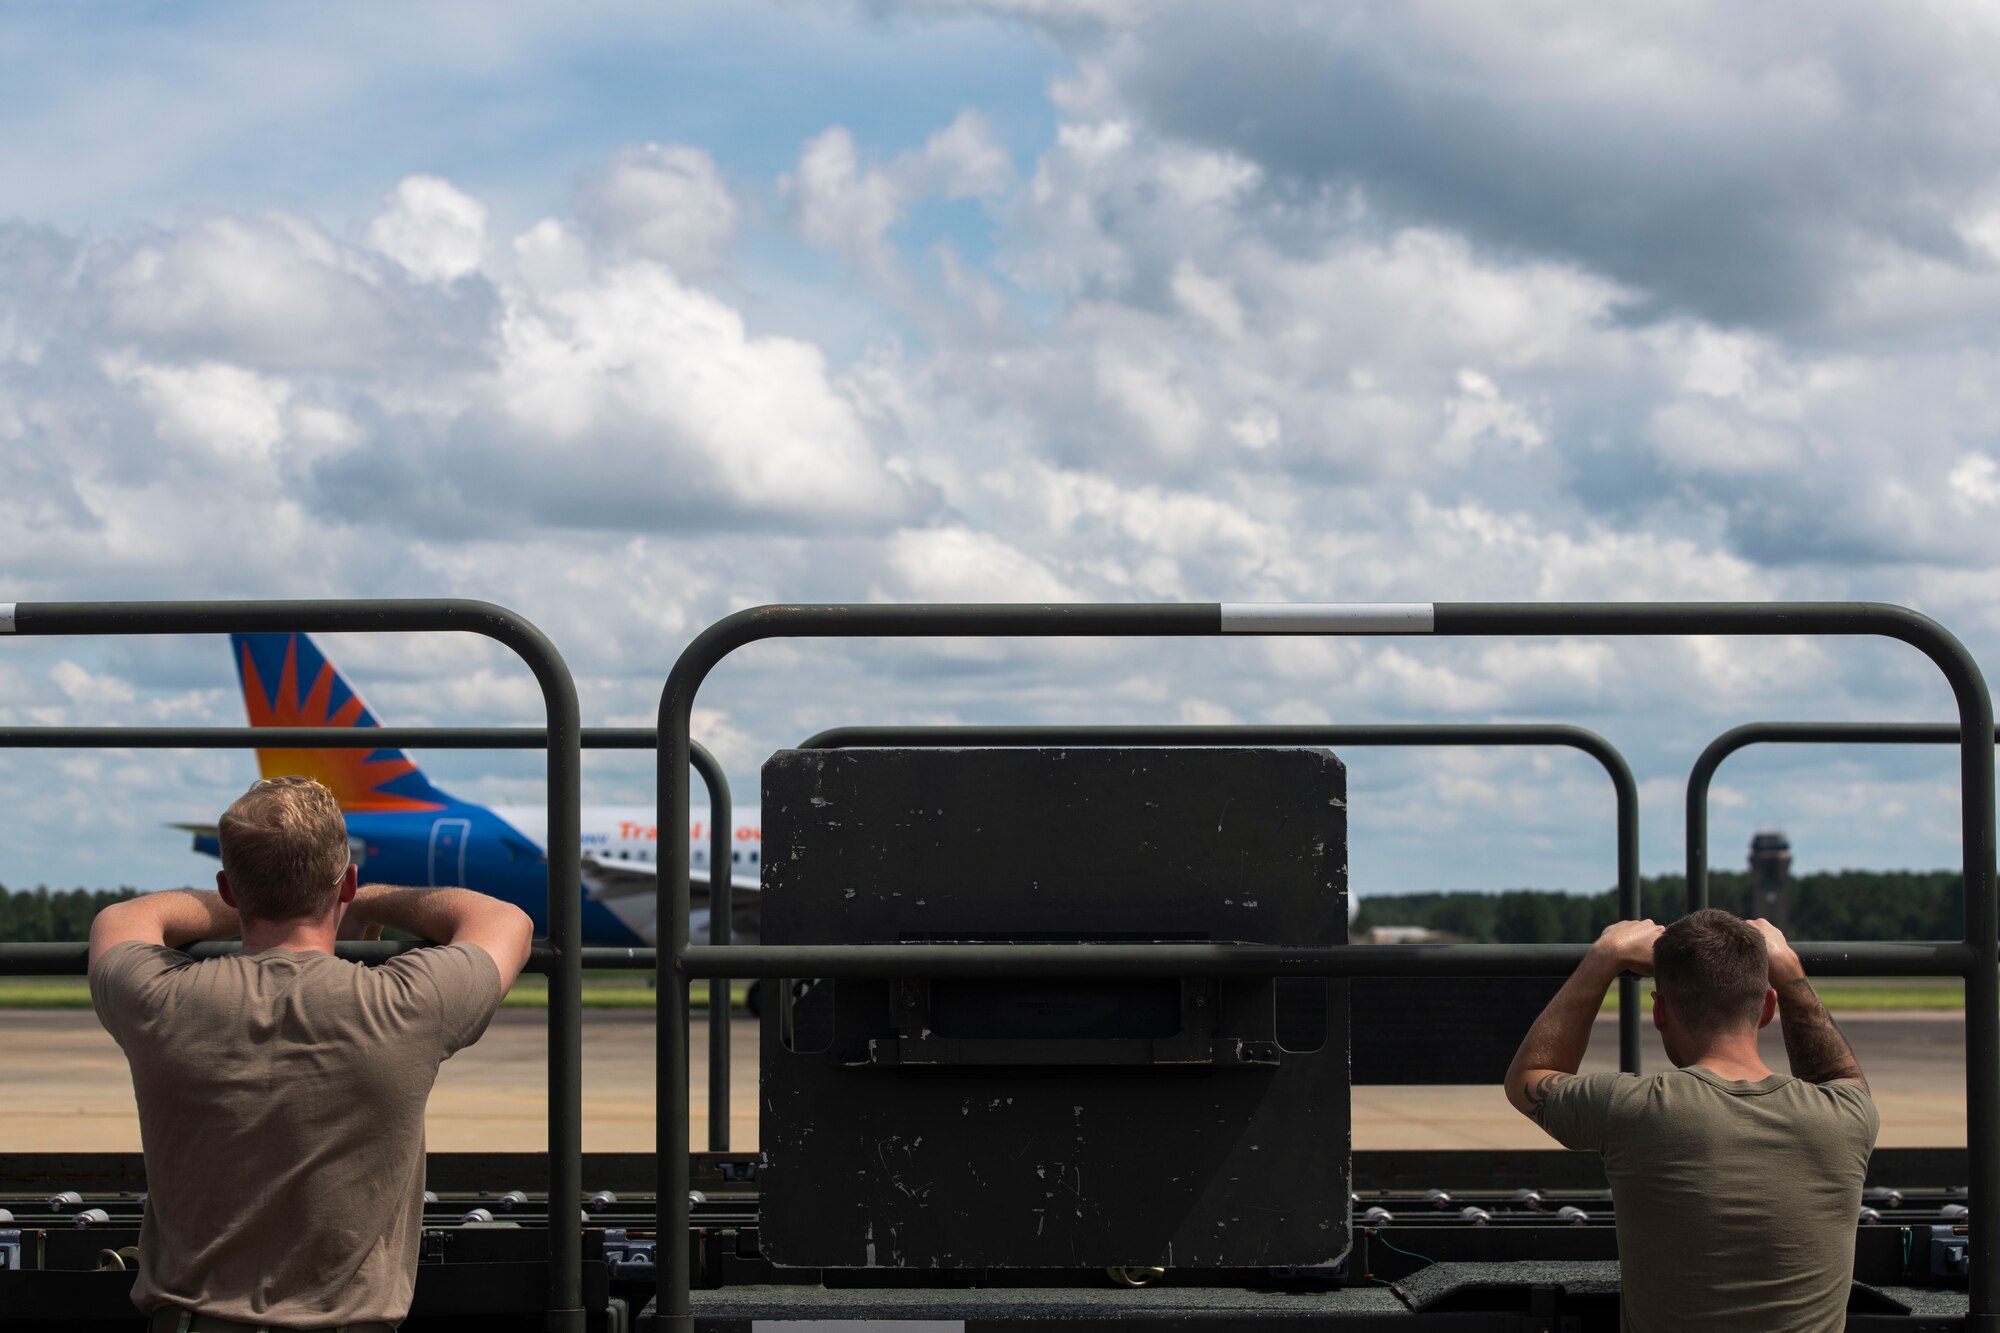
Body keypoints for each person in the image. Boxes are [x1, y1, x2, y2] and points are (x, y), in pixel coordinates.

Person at [89, 775, 534, 1333]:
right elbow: (506, 922)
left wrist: (260, 895)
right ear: (344, 883)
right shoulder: (405, 1001)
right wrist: (364, 898)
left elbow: (122, 919)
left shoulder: (157, 999)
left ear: (228, 888)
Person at [1503, 910, 1878, 1333]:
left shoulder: (1632, 1109)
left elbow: (1528, 1078)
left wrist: (1603, 958)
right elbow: (1841, 1077)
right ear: (1768, 1009)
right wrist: (1788, 969)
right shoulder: (1847, 1117)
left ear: (1660, 1012)